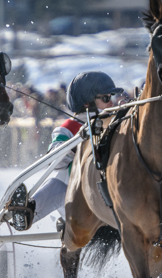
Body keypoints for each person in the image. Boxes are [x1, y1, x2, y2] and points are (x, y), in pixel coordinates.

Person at [8, 71, 124, 231]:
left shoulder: (117, 124)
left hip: (111, 198)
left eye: (111, 98)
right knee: (58, 183)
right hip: (78, 201)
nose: (111, 103)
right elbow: (54, 162)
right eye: (106, 98)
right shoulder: (68, 129)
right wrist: (77, 143)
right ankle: (28, 213)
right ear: (87, 103)